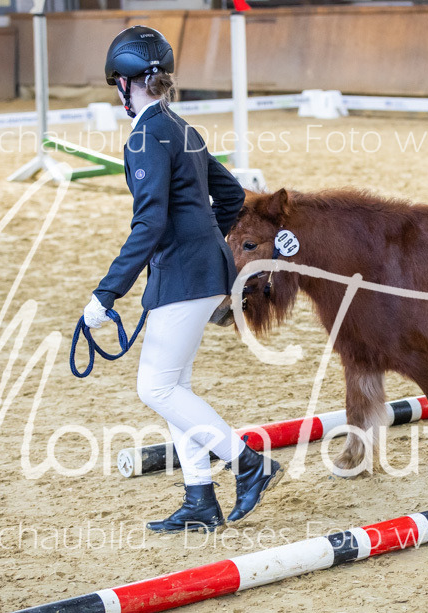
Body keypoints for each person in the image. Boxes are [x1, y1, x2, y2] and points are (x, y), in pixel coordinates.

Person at [84, 26, 281, 533]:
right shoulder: (184, 128)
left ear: (128, 84)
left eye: (117, 85)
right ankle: (199, 499)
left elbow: (148, 223)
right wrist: (205, 239)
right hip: (206, 269)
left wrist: (106, 294)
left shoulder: (145, 136)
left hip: (185, 276)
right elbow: (232, 198)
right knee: (176, 385)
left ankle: (248, 463)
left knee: (155, 387)